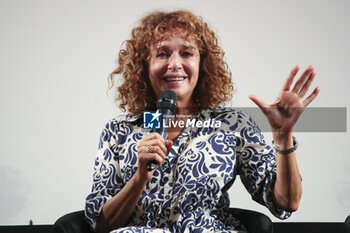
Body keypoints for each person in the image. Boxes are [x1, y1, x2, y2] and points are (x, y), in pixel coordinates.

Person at [85, 10, 319, 233]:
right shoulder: (119, 130)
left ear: (202, 65)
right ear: (144, 66)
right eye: (162, 54)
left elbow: (286, 203)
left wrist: (282, 137)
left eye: (186, 53)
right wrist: (139, 179)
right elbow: (101, 226)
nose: (174, 64)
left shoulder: (232, 124)